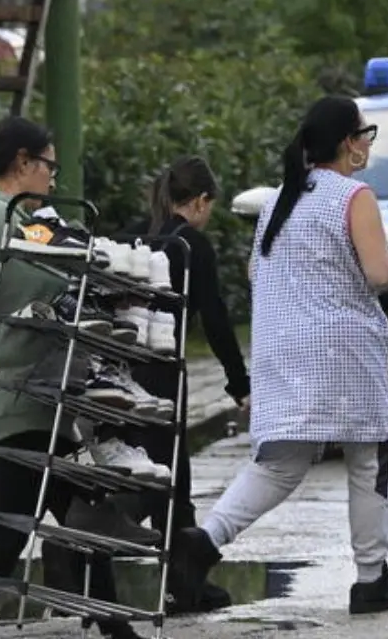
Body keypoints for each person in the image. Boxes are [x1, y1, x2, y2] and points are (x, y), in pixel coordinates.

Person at [167, 96, 388, 615]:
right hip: (343, 351)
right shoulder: (355, 196)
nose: (367, 143)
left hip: (282, 349)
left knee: (279, 463)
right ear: (349, 142)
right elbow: (377, 274)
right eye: (365, 133)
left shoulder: (280, 201)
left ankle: (204, 541)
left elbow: (256, 275)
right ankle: (371, 578)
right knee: (368, 458)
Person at [0, 116, 144, 639]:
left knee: (88, 514)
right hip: (13, 395)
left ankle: (116, 629)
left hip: (42, 397)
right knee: (7, 534)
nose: (54, 175)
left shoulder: (24, 221)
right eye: (49, 164)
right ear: (22, 163)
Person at [117, 156, 250, 613]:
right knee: (167, 475)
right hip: (162, 370)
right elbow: (214, 319)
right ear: (199, 201)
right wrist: (238, 382)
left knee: (149, 469)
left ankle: (182, 581)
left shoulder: (136, 234)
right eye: (209, 205)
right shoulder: (191, 246)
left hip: (118, 368)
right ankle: (84, 552)